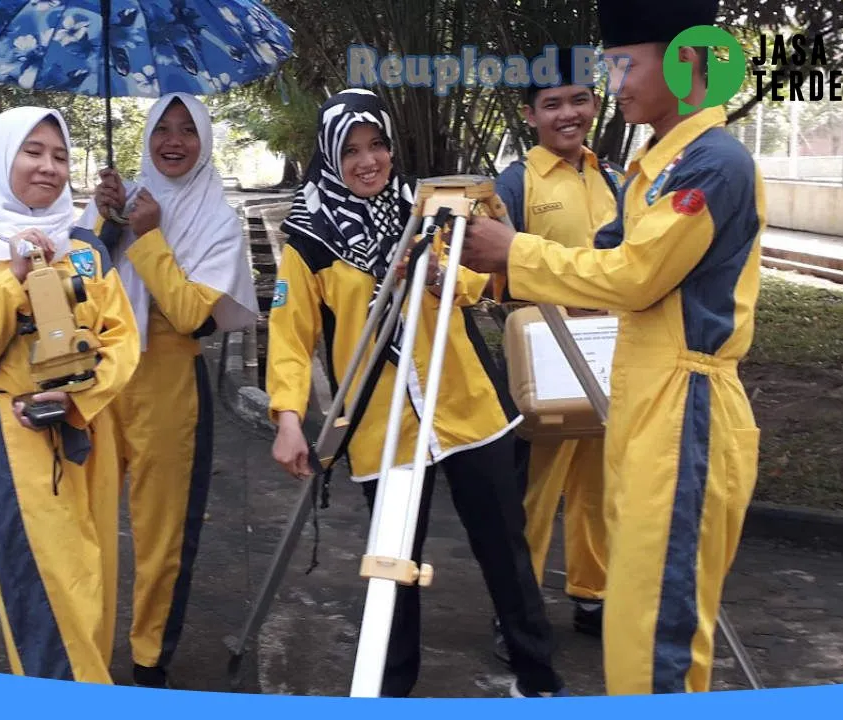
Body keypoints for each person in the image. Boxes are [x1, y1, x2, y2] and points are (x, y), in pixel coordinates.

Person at [460, 0, 766, 695]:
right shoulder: (653, 169)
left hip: (684, 412)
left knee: (657, 644)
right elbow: (610, 259)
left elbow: (633, 275)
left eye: (626, 64)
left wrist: (515, 251)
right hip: (635, 398)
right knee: (636, 628)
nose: (614, 84)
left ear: (688, 60)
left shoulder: (711, 167)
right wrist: (488, 261)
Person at [266, 88, 566, 699]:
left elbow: (486, 279)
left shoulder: (431, 212)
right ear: (328, 156)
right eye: (350, 150)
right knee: (392, 569)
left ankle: (539, 678)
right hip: (384, 421)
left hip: (466, 407)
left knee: (506, 551)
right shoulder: (309, 239)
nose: (368, 160)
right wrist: (289, 419)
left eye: (376, 144)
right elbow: (291, 337)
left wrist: (445, 278)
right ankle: (390, 689)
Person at [0, 106, 140, 685]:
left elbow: (122, 338)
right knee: (49, 596)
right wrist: (11, 287)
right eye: (33, 152)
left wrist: (81, 401)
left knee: (93, 580)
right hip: (15, 433)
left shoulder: (85, 244)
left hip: (89, 428)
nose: (49, 168)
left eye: (61, 155)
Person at [77, 93, 258, 689]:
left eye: (187, 130)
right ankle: (84, 641)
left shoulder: (215, 217)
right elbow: (77, 280)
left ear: (204, 141)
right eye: (162, 129)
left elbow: (191, 317)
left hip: (170, 382)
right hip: (103, 374)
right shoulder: (119, 197)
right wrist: (105, 222)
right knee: (87, 518)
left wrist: (148, 235)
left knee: (163, 530)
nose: (173, 141)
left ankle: (149, 655)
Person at [493, 49, 625, 640]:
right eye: (552, 105)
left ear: (595, 105)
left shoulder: (614, 178)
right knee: (534, 489)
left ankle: (592, 594)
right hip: (543, 356)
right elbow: (493, 268)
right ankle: (515, 608)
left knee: (599, 481)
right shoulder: (515, 184)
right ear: (530, 115)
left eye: (579, 100)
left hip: (607, 350)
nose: (567, 114)